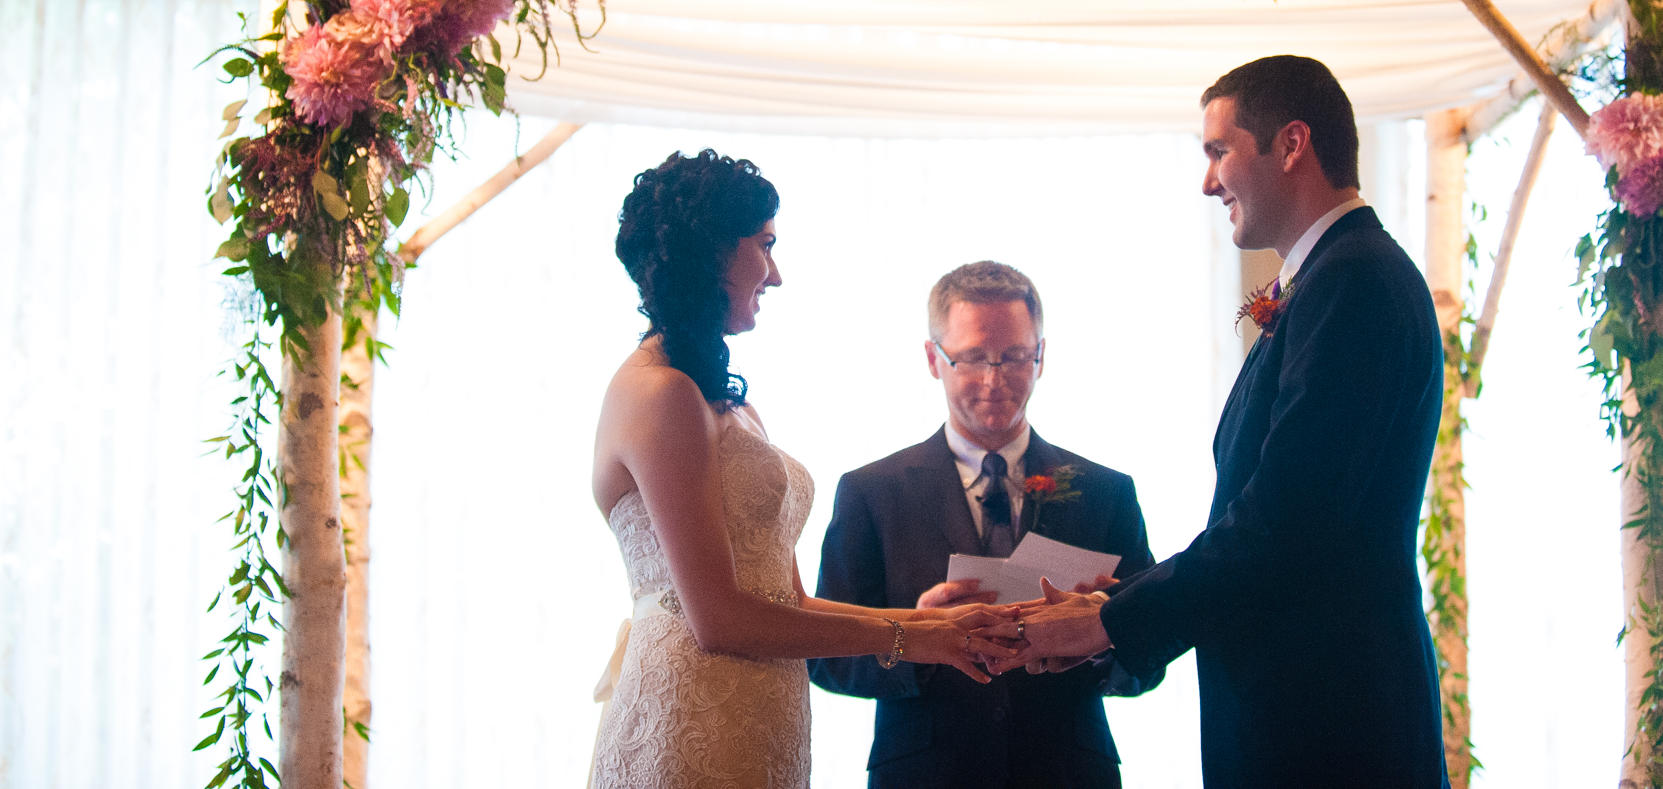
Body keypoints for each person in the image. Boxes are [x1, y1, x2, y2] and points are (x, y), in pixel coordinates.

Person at [988, 56, 1450, 789]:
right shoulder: (1336, 275)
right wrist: (1116, 605)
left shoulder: (1354, 280)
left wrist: (1107, 624)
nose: (1208, 182)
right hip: (1308, 704)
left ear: (1291, 144)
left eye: (1218, 151)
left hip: (1328, 719)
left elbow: (1286, 522)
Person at [588, 150, 1013, 789]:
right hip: (692, 710)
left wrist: (938, 625)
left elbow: (790, 603)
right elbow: (720, 620)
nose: (776, 273)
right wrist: (913, 640)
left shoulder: (729, 402)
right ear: (709, 252)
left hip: (763, 708)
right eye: (764, 245)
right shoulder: (660, 394)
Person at [809, 260, 1163, 789]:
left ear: (1041, 356)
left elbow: (1150, 655)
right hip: (925, 771)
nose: (994, 380)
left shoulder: (1106, 491)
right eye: (972, 358)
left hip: (1068, 770)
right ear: (934, 359)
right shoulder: (870, 491)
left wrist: (1101, 636)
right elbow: (825, 658)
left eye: (1015, 357)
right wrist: (913, 634)